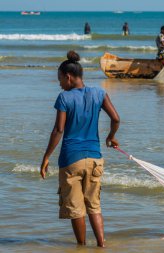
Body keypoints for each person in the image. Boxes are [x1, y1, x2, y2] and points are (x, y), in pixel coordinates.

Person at [40, 51, 120, 247]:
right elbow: (116, 119)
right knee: (94, 206)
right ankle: (101, 245)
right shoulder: (99, 93)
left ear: (68, 77)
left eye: (60, 79)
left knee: (76, 209)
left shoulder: (64, 98)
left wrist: (46, 157)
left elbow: (59, 130)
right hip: (95, 158)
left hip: (71, 160)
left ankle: (82, 247)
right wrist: (111, 137)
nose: (59, 84)